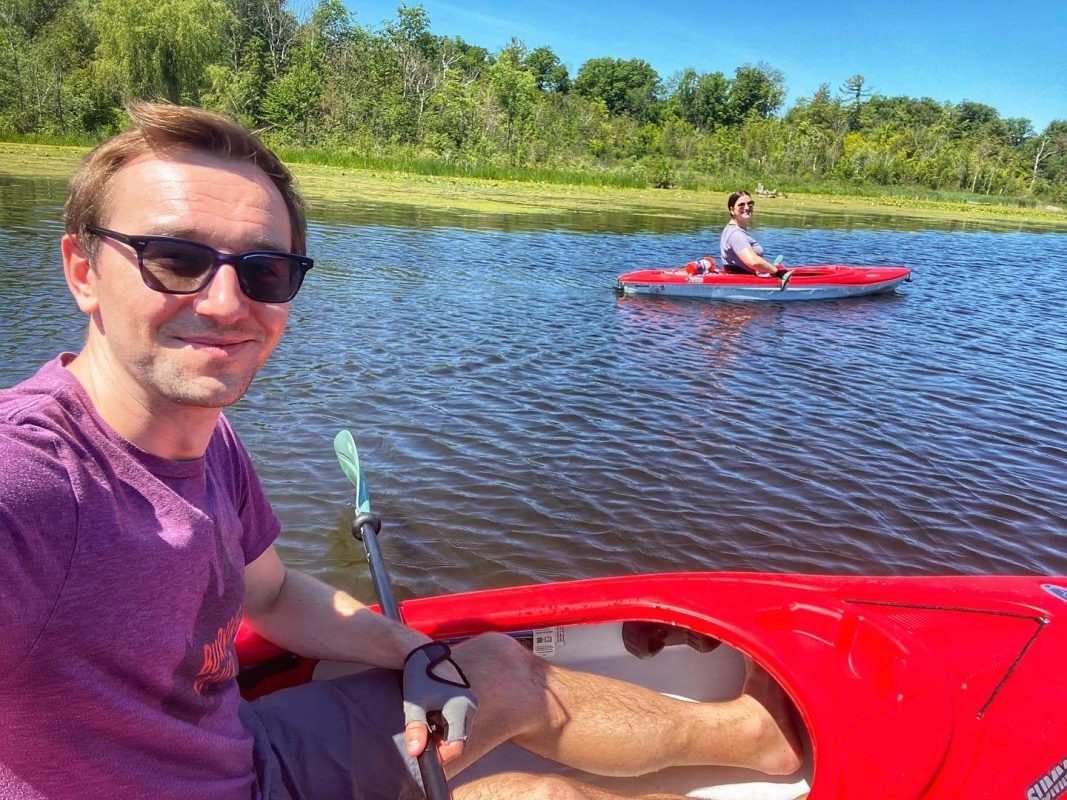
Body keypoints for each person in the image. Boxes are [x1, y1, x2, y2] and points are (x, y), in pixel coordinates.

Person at [0, 102, 805, 800]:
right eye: (175, 259)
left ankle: (751, 739)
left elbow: (272, 597)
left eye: (264, 271)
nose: (223, 302)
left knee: (494, 665)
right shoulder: (35, 481)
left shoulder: (205, 437)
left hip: (237, 749)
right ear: (83, 271)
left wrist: (417, 651)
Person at [720, 190, 795, 290]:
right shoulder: (736, 234)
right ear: (732, 209)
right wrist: (777, 272)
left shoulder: (731, 229)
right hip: (743, 283)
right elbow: (753, 262)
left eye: (750, 204)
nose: (747, 207)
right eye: (741, 205)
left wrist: (769, 268)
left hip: (744, 276)